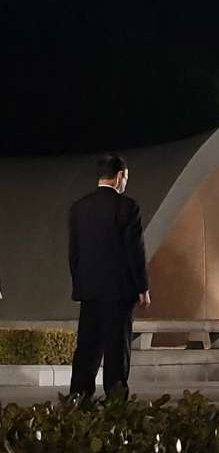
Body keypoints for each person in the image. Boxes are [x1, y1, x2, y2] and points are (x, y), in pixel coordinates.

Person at [69, 154, 150, 398]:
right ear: (119, 177)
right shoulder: (127, 207)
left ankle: (78, 400)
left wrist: (80, 283)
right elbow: (134, 251)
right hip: (118, 293)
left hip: (89, 291)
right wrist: (142, 287)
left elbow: (74, 253)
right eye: (126, 178)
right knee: (117, 350)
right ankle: (115, 404)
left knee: (87, 349)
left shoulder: (79, 208)